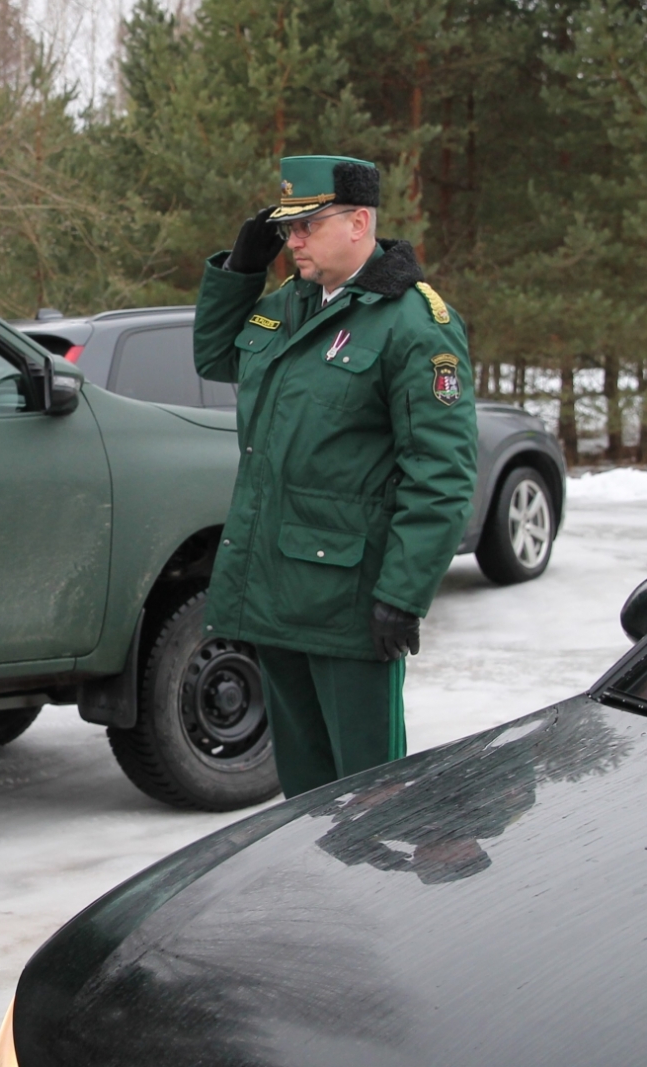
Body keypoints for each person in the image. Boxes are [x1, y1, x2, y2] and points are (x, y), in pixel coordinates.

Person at [192, 155, 478, 799]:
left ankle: (379, 901)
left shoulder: (414, 323)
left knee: (373, 793)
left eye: (306, 227)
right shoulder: (286, 305)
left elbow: (441, 472)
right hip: (277, 590)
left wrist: (403, 595)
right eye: (285, 228)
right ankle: (320, 901)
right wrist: (240, 270)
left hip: (351, 599)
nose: (291, 241)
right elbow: (213, 357)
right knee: (305, 796)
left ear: (357, 222)